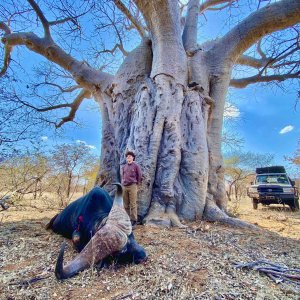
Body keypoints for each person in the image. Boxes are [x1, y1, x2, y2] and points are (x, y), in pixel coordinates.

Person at [121, 151, 142, 227]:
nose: (128, 157)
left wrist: (137, 184)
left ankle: (134, 220)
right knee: (126, 205)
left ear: (133, 157)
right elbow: (123, 176)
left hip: (133, 186)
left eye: (130, 156)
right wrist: (123, 183)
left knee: (133, 204)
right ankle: (127, 219)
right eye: (127, 156)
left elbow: (139, 175)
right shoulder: (124, 166)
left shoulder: (136, 165)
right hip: (125, 186)